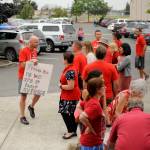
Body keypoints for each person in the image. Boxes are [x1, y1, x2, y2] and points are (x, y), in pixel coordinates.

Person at [108, 80, 150, 150]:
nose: (141, 95)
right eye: (140, 93)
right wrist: (126, 121)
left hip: (124, 117)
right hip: (114, 118)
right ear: (136, 90)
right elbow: (117, 112)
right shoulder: (126, 95)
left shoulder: (134, 95)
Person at [18, 36, 40, 125]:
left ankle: (31, 106)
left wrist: (36, 64)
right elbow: (22, 65)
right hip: (23, 77)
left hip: (33, 76)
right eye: (35, 42)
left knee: (39, 92)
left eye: (37, 42)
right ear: (30, 42)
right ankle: (22, 117)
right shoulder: (23, 51)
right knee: (24, 96)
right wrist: (31, 62)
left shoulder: (35, 51)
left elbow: (34, 64)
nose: (37, 44)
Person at [79, 77, 106, 150]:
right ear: (98, 90)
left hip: (91, 142)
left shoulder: (90, 99)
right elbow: (81, 117)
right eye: (103, 86)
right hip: (92, 143)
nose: (105, 88)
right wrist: (90, 127)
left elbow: (79, 106)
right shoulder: (95, 105)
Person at [59, 51, 80, 139]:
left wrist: (61, 86)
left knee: (66, 113)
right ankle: (73, 131)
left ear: (66, 60)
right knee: (71, 114)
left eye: (63, 58)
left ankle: (70, 131)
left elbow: (70, 86)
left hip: (70, 96)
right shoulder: (71, 68)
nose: (62, 60)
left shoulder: (70, 71)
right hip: (70, 95)